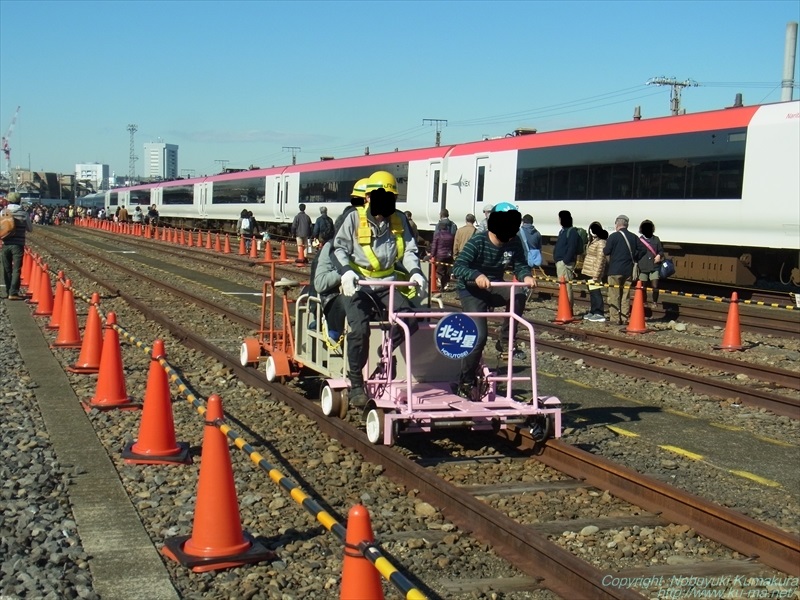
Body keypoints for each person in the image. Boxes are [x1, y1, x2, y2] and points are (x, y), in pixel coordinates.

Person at [332, 170, 426, 407]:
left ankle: (385, 349)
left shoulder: (400, 220)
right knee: (359, 330)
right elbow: (338, 249)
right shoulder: (353, 218)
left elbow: (410, 251)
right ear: (369, 197)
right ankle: (356, 384)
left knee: (411, 318)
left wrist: (415, 271)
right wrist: (346, 272)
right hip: (359, 283)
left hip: (388, 283)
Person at [451, 202, 535, 399]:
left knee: (518, 294)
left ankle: (505, 338)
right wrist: (476, 275)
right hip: (471, 290)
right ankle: (466, 379)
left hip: (495, 286)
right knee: (478, 337)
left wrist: (526, 276)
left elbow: (521, 265)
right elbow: (458, 267)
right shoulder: (478, 242)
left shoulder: (514, 242)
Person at [604, 214, 646, 324]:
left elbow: (606, 251)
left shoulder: (613, 236)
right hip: (628, 270)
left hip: (615, 270)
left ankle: (614, 318)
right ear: (627, 225)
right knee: (625, 295)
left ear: (617, 224)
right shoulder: (633, 237)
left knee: (614, 294)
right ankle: (624, 317)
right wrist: (635, 258)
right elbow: (643, 250)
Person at [1, 193, 33, 300]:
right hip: (18, 245)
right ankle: (13, 292)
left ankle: (8, 290)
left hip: (5, 243)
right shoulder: (24, 213)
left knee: (7, 268)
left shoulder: (3, 212)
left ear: (9, 201)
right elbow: (30, 229)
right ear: (19, 201)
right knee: (16, 269)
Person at [552, 210, 581, 313]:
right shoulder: (563, 231)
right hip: (560, 262)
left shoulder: (571, 232)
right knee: (562, 286)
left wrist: (565, 261)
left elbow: (571, 247)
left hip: (564, 263)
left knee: (566, 287)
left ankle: (568, 308)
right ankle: (564, 307)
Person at [580, 222, 609, 322]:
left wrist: (596, 274)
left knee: (596, 292)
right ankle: (593, 310)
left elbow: (600, 259)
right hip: (589, 270)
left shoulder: (601, 242)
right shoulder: (593, 241)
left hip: (594, 271)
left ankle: (599, 312)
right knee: (592, 292)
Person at [637, 219, 666, 308]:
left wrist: (659, 255)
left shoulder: (656, 239)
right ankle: (644, 301)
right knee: (643, 286)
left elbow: (661, 251)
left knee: (655, 286)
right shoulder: (639, 240)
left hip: (654, 266)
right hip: (643, 267)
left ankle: (654, 302)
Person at [429, 219, 456, 293]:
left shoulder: (438, 235)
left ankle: (439, 283)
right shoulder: (451, 236)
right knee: (446, 271)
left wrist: (432, 255)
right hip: (448, 255)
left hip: (440, 255)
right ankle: (445, 285)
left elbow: (434, 246)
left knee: (440, 271)